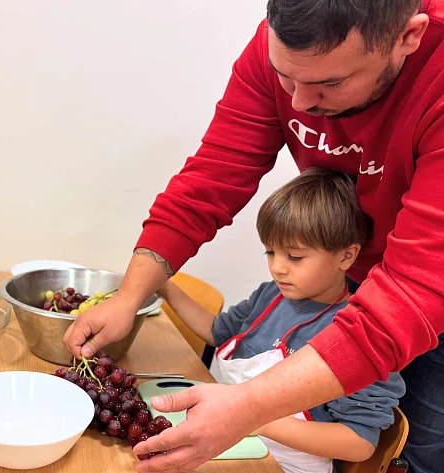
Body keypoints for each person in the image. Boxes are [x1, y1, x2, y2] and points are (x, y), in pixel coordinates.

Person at [63, 1, 444, 472]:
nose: (300, 104)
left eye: (330, 83)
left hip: (428, 287)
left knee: (424, 448)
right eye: (286, 76)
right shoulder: (280, 52)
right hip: (362, 280)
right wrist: (130, 296)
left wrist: (248, 410)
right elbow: (208, 181)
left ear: (409, 37)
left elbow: (415, 291)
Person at [163, 169, 403, 472]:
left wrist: (253, 417)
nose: (277, 268)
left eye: (295, 257)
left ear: (346, 256)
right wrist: (165, 287)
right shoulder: (270, 296)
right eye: (270, 251)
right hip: (234, 448)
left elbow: (358, 443)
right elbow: (217, 331)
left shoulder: (359, 334)